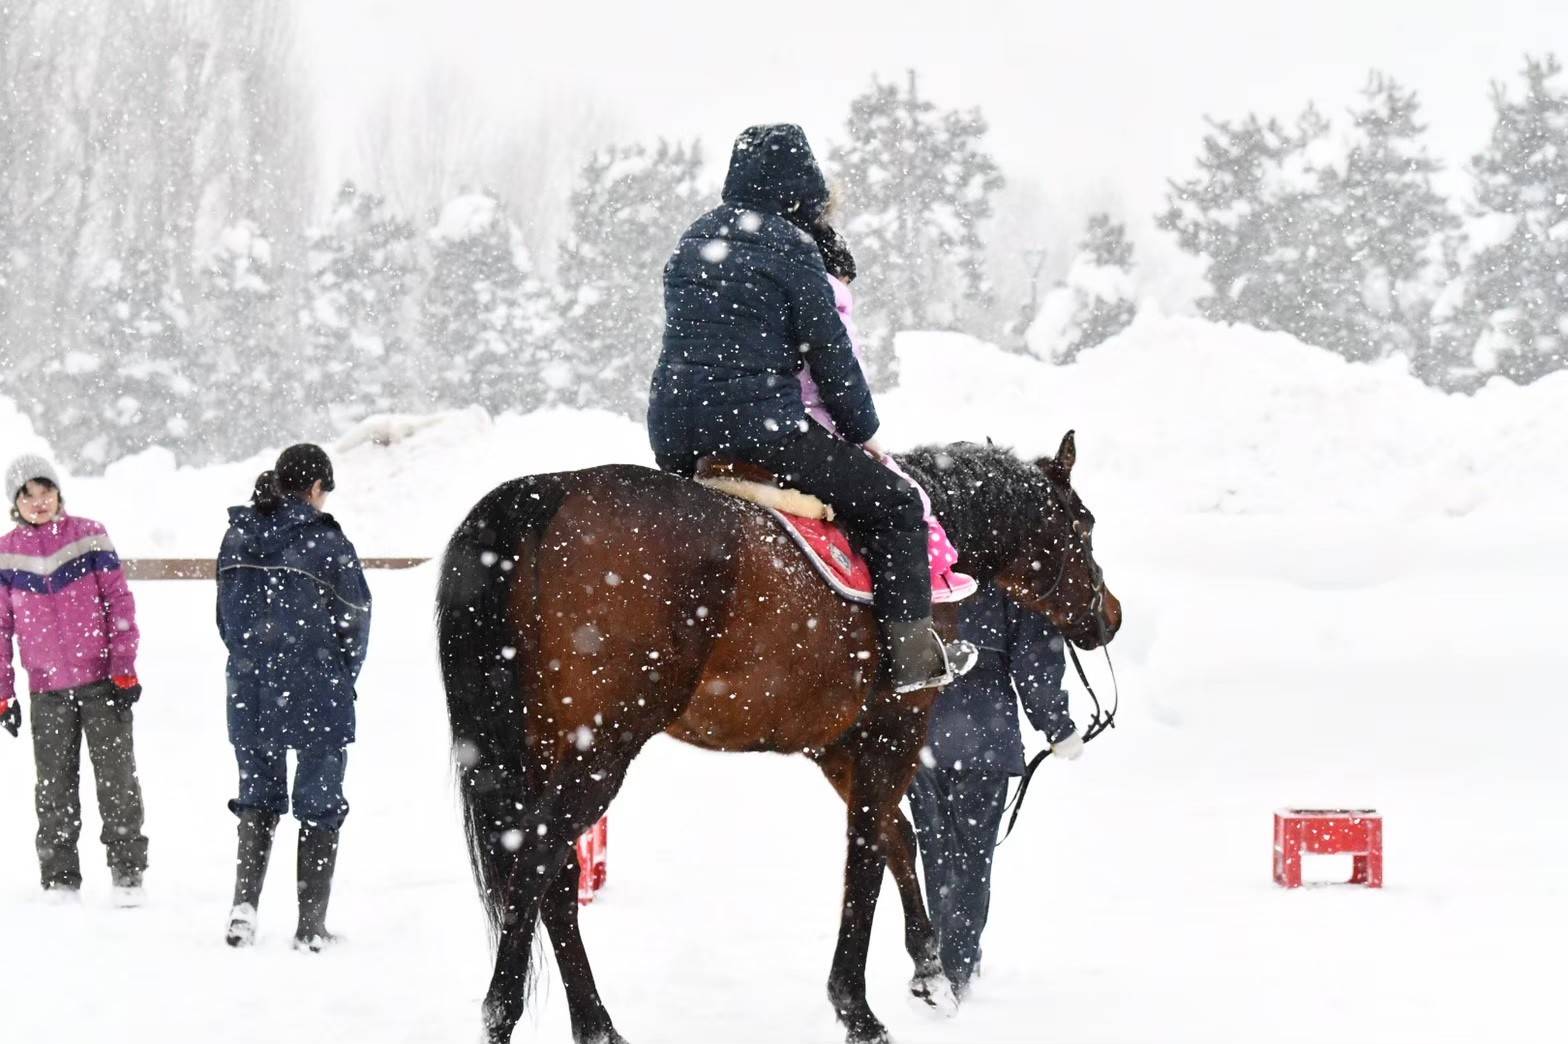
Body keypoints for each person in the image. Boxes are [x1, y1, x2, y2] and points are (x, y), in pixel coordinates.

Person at [648, 122, 969, 692]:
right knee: (894, 505)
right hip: (760, 427)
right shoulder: (792, 248)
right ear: (801, 188)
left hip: (675, 430)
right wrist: (863, 431)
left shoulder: (695, 238)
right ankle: (914, 657)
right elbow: (830, 356)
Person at [216, 444, 370, 952]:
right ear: (317, 487)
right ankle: (310, 926)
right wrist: (339, 673)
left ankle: (244, 908)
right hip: (316, 686)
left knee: (257, 796)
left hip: (250, 689)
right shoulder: (327, 542)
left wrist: (251, 662)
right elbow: (355, 620)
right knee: (320, 804)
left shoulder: (238, 534)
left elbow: (226, 619)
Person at [907, 581, 1083, 998]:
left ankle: (939, 958)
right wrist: (1057, 726)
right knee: (971, 855)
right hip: (983, 733)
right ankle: (959, 967)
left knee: (935, 850)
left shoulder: (914, 557)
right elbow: (1034, 658)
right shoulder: (1006, 567)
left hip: (918, 730)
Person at [0, 453, 148, 905]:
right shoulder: (7, 553)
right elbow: (0, 629)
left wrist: (123, 667)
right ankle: (60, 877)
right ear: (16, 502)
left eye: (45, 493)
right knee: (54, 785)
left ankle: (127, 873)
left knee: (116, 778)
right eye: (29, 496)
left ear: (59, 493)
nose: (39, 503)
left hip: (102, 680)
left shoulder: (88, 535)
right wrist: (3, 692)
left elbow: (118, 602)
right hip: (46, 689)